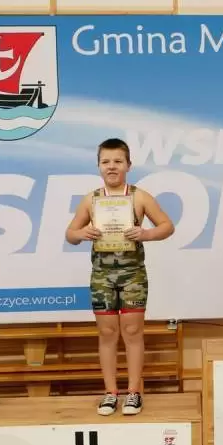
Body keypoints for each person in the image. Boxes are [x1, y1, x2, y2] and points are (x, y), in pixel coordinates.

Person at [66, 138, 174, 416]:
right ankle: (110, 392)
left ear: (128, 165)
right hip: (102, 276)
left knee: (133, 332)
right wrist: (82, 233)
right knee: (107, 333)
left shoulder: (140, 196)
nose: (111, 166)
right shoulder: (91, 199)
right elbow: (70, 234)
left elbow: (167, 226)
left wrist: (147, 233)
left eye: (117, 161)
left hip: (133, 275)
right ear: (98, 166)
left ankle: (134, 392)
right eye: (106, 162)